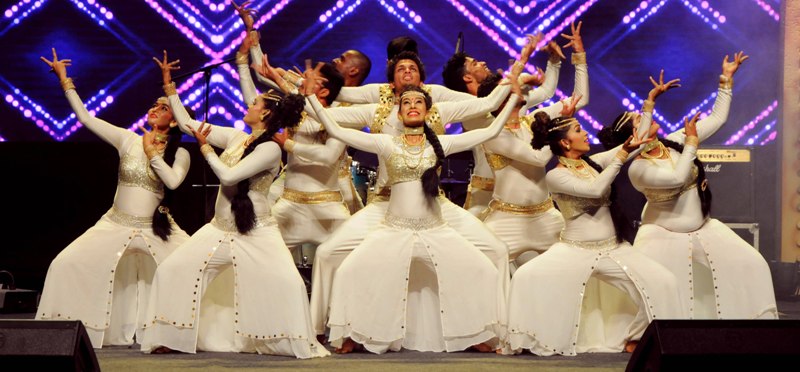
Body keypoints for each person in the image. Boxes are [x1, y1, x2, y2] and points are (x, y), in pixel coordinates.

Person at [308, 78, 522, 353]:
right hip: (393, 230)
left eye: (418, 102)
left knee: (481, 270)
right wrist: (311, 97)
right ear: (398, 113)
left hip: (435, 230)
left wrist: (514, 97)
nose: (411, 106)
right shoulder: (387, 143)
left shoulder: (440, 144)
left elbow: (491, 130)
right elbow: (334, 127)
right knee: (350, 271)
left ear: (427, 111)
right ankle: (355, 333)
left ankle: (474, 333)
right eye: (406, 102)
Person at [139, 51, 328, 358]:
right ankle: (171, 336)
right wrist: (170, 88)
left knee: (288, 282)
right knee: (173, 270)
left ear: (265, 114)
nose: (249, 104)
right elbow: (188, 124)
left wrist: (205, 150)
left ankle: (285, 340)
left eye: (255, 103)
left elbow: (228, 176)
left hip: (255, 231)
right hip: (219, 229)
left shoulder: (270, 150)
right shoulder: (237, 138)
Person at [598, 53, 778, 320]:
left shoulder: (673, 141)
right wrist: (691, 144)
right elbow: (677, 179)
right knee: (665, 298)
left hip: (703, 229)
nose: (646, 117)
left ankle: (752, 327)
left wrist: (726, 80)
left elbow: (717, 120)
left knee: (753, 264)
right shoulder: (638, 169)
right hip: (662, 236)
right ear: (634, 136)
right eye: (639, 120)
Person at [36, 49, 192, 349]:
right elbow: (85, 117)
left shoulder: (180, 152)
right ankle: (61, 338)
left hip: (154, 229)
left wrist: (152, 154)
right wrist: (65, 81)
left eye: (162, 108)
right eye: (154, 105)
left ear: (174, 121)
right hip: (115, 225)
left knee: (191, 266)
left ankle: (172, 335)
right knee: (64, 263)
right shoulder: (127, 139)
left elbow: (173, 181)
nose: (154, 109)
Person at [505, 96, 685, 355]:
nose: (586, 133)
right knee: (525, 276)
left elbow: (635, 141)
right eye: (579, 130)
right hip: (574, 251)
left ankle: (637, 338)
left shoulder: (593, 163)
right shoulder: (556, 176)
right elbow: (595, 189)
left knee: (664, 282)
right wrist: (622, 154)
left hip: (613, 250)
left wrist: (649, 105)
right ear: (566, 142)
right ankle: (526, 339)